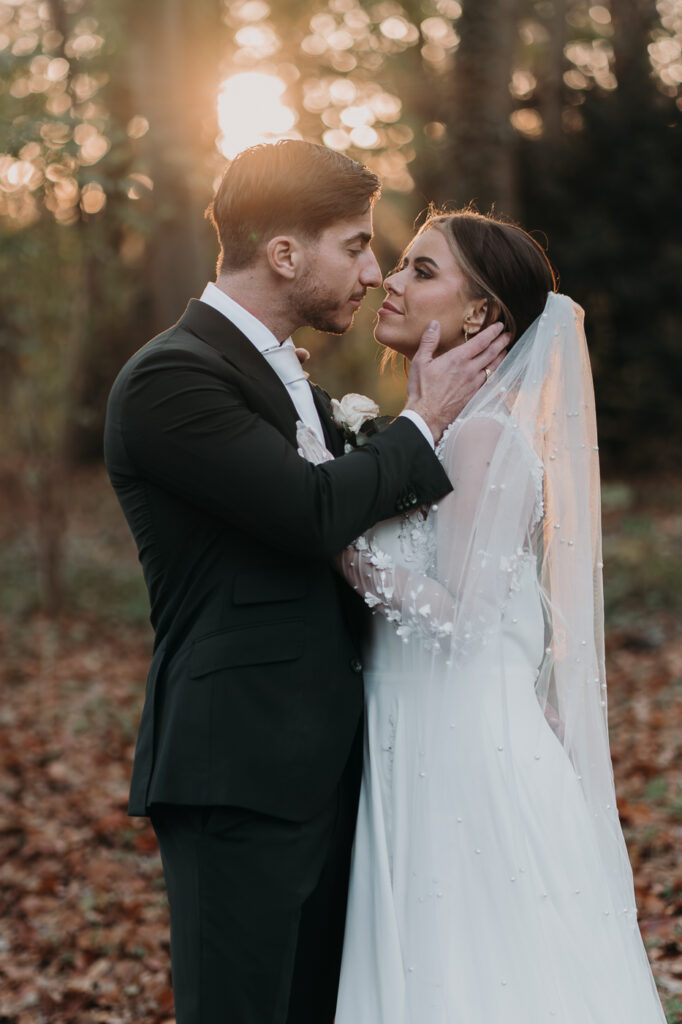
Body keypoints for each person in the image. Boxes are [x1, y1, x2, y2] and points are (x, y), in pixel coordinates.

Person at [103, 144, 507, 1024]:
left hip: (338, 765)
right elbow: (313, 514)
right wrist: (426, 422)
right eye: (356, 246)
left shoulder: (294, 382)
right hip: (239, 765)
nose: (372, 273)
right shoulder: (174, 378)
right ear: (285, 255)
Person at [297, 210, 667, 1022]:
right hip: (415, 725)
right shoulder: (433, 433)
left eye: (422, 270)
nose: (390, 281)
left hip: (458, 748)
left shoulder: (484, 439)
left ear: (480, 316)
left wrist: (330, 535)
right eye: (400, 264)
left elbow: (459, 622)